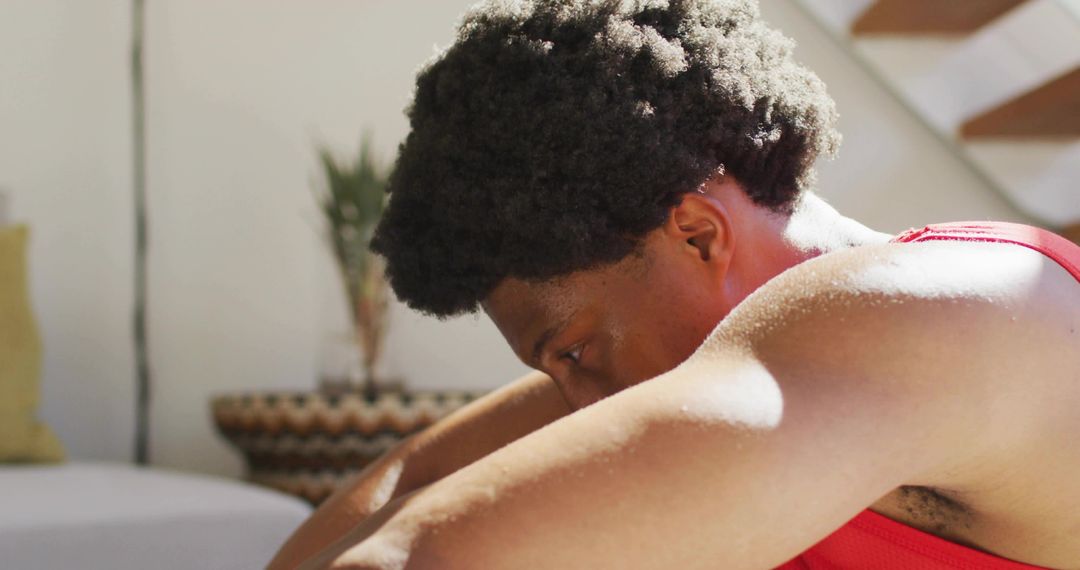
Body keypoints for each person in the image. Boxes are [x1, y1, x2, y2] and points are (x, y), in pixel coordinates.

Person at [270, 0, 1080, 568]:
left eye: (577, 349)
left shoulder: (941, 319)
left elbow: (421, 558)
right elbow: (401, 495)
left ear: (698, 233)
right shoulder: (702, 365)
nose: (584, 404)